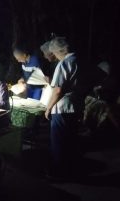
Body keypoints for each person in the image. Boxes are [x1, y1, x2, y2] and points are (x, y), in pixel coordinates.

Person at [44, 37, 84, 179]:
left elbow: (58, 91)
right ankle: (69, 171)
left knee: (59, 142)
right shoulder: (79, 60)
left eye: (53, 52)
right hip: (76, 106)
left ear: (58, 51)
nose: (53, 55)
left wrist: (48, 108)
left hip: (62, 108)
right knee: (70, 141)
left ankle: (58, 174)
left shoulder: (64, 63)